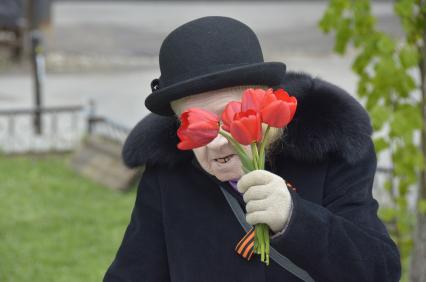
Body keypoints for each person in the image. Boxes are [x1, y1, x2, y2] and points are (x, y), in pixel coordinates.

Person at [103, 16, 401, 282]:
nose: (217, 140)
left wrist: (295, 219)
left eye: (229, 117)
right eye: (197, 125)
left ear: (262, 103)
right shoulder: (167, 173)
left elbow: (380, 271)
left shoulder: (330, 153)